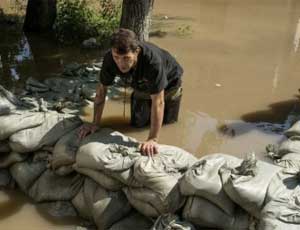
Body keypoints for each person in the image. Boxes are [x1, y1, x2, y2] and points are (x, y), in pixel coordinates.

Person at [78, 28, 183, 156]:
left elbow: (159, 102)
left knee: (168, 124)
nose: (121, 64)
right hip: (141, 85)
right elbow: (101, 91)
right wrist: (95, 124)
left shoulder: (152, 62)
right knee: (137, 125)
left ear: (136, 51)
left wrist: (152, 139)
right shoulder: (110, 60)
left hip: (170, 84)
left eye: (126, 58)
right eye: (117, 57)